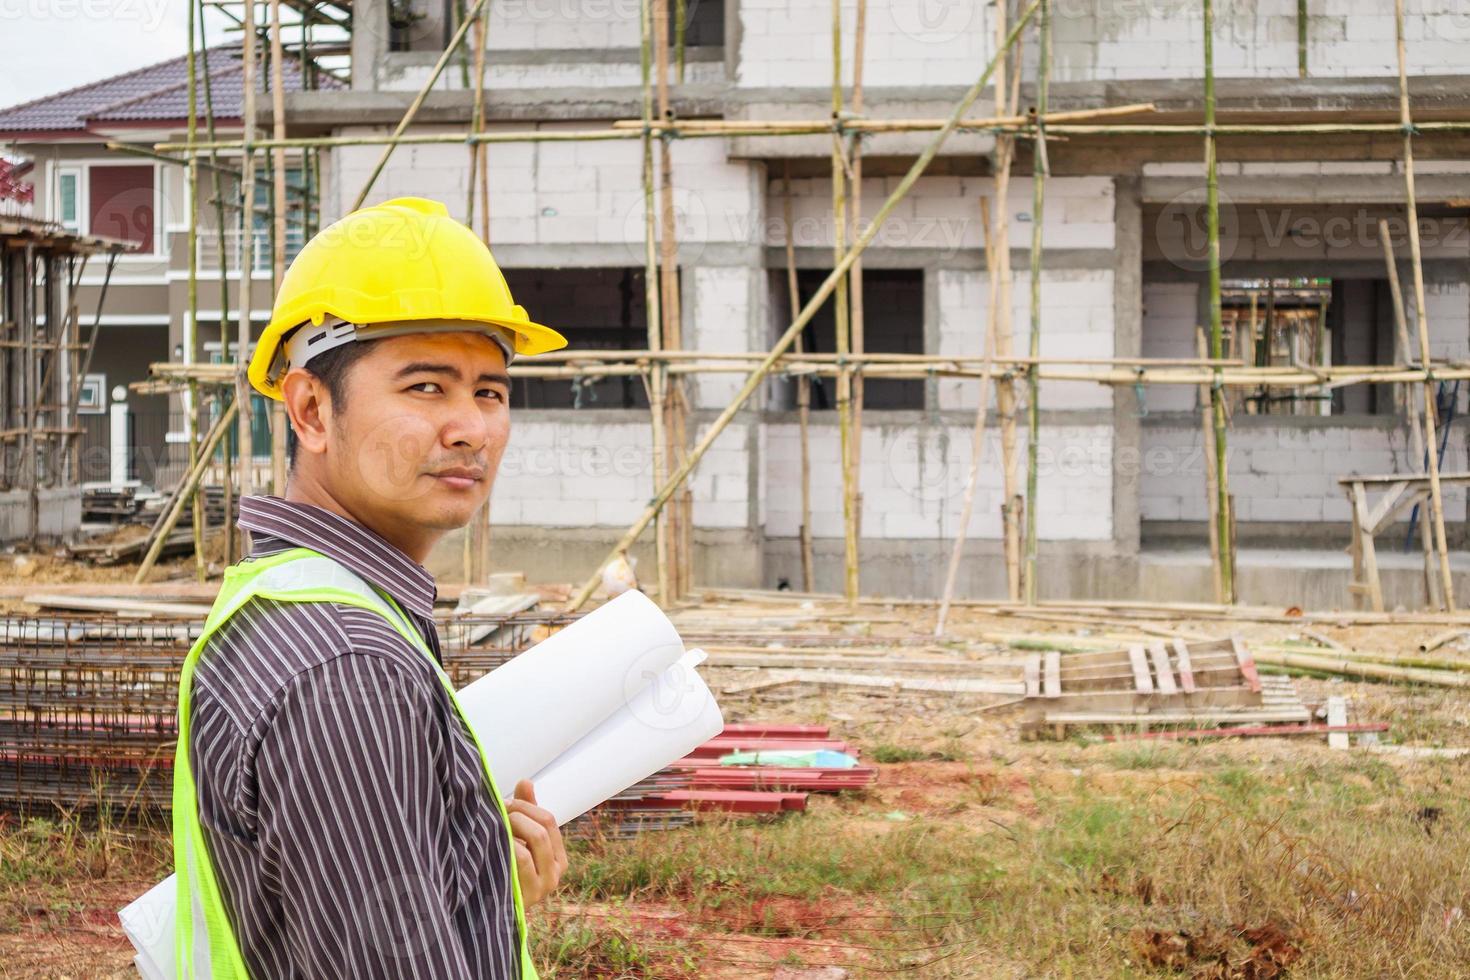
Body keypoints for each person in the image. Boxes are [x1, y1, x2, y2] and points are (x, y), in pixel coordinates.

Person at [171, 197, 569, 979]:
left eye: (489, 391)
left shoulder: (290, 604)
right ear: (312, 410)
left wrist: (484, 888)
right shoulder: (347, 665)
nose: (471, 428)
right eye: (426, 387)